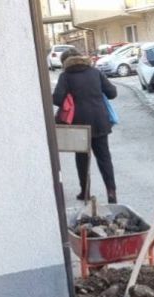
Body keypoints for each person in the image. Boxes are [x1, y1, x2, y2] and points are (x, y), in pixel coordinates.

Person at [52, 49, 119, 203]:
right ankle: (111, 192)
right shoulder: (94, 72)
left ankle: (85, 191)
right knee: (104, 158)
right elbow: (112, 93)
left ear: (64, 62)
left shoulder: (65, 76)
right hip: (99, 121)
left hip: (78, 124)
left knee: (82, 158)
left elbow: (57, 99)